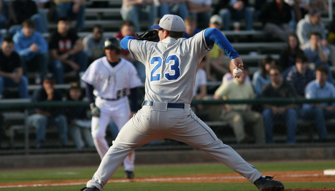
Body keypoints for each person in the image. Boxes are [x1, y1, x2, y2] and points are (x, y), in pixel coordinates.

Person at [81, 14, 284, 191]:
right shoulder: (190, 45)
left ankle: (93, 186)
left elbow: (123, 42)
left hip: (148, 115)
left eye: (159, 30)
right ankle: (258, 180)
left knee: (117, 148)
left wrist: (141, 38)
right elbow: (213, 32)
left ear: (165, 32)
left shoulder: (149, 48)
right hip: (180, 117)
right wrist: (233, 56)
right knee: (218, 147)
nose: (157, 32)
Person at [81, 37, 142, 180]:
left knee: (128, 137)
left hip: (121, 103)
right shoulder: (97, 64)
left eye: (112, 49)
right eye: (107, 49)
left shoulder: (128, 66)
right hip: (102, 103)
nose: (109, 52)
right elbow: (88, 84)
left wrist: (133, 110)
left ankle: (129, 168)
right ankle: (109, 163)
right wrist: (91, 104)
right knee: (97, 135)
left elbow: (134, 89)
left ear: (118, 51)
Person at [214, 67, 265, 144]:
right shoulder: (229, 84)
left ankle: (261, 143)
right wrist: (225, 108)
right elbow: (216, 96)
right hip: (230, 112)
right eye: (241, 73)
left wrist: (249, 107)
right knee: (237, 118)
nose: (243, 75)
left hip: (244, 111)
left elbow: (252, 99)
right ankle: (242, 141)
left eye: (245, 73)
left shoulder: (248, 85)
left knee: (258, 117)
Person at [27, 75, 67, 148]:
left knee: (61, 119)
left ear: (54, 84)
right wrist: (49, 98)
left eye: (51, 83)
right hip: (33, 117)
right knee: (42, 118)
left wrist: (50, 114)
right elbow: (38, 110)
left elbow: (60, 109)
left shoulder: (57, 94)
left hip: (50, 117)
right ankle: (40, 143)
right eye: (47, 82)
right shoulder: (38, 92)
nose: (49, 85)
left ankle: (64, 143)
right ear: (43, 83)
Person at [262, 66, 298, 144]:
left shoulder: (288, 86)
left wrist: (284, 108)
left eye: (276, 74)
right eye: (271, 75)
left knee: (292, 112)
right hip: (272, 112)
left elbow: (295, 104)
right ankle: (269, 141)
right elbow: (263, 105)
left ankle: (291, 141)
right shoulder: (266, 88)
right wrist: (272, 108)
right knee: (266, 113)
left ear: (281, 74)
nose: (273, 77)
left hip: (285, 112)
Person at [48, 17, 88, 84]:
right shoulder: (53, 36)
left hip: (69, 59)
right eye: (62, 24)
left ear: (69, 25)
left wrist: (68, 54)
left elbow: (81, 46)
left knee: (83, 54)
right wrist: (70, 62)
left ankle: (81, 80)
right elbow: (55, 57)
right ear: (58, 25)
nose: (64, 26)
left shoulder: (71, 33)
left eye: (66, 24)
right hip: (57, 62)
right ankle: (61, 87)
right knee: (58, 65)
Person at [301, 65, 335, 141]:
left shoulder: (330, 87)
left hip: (325, 111)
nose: (320, 76)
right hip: (308, 111)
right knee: (318, 111)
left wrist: (332, 108)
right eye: (318, 74)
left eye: (322, 74)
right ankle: (324, 139)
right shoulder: (311, 86)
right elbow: (313, 104)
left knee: (320, 111)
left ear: (327, 76)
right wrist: (328, 108)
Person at [13, 19, 48, 83]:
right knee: (21, 57)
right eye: (26, 28)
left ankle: (43, 79)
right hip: (22, 63)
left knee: (44, 56)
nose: (28, 30)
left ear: (34, 29)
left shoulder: (38, 35)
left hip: (34, 61)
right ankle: (24, 79)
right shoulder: (17, 37)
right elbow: (16, 53)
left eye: (31, 28)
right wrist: (29, 50)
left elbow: (45, 48)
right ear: (22, 28)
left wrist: (38, 48)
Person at [65, 82, 94, 149]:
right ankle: (81, 147)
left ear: (80, 93)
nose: (75, 93)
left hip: (80, 123)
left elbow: (83, 115)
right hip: (70, 125)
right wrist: (70, 121)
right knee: (76, 130)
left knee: (85, 129)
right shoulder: (66, 101)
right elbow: (64, 115)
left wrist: (84, 118)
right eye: (73, 91)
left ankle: (92, 146)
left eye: (77, 91)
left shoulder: (82, 101)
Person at [205, 15, 228, 81]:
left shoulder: (222, 35)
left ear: (220, 26)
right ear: (210, 24)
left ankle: (229, 75)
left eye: (217, 24)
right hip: (204, 58)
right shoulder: (204, 33)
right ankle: (230, 75)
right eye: (214, 24)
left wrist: (220, 60)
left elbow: (222, 51)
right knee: (209, 59)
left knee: (229, 63)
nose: (215, 26)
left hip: (215, 59)